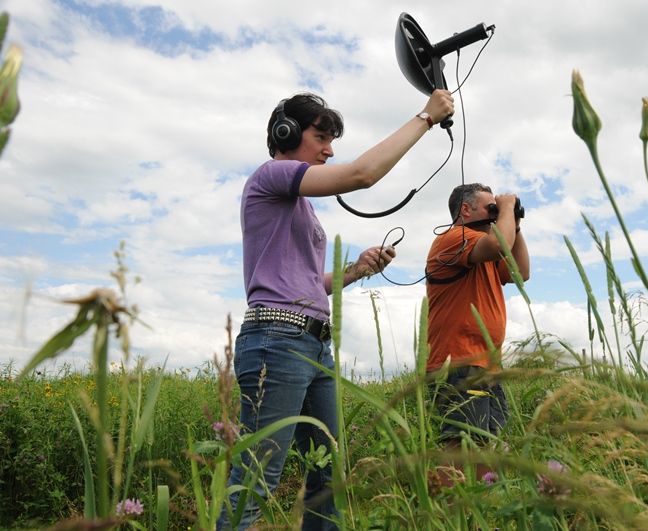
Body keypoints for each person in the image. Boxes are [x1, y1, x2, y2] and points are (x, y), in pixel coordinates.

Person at [217, 89, 454, 531]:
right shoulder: (271, 175)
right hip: (277, 340)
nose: (329, 149)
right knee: (257, 475)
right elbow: (363, 175)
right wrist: (426, 116)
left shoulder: (299, 202)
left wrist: (356, 270)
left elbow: (306, 283)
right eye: (321, 137)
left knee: (327, 467)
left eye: (332, 140)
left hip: (311, 342)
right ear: (286, 133)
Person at [424, 183, 530, 485]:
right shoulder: (454, 239)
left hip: (485, 365)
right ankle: (444, 515)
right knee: (459, 449)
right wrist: (506, 209)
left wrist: (516, 226)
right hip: (457, 362)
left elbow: (521, 273)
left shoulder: (485, 246)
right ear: (465, 209)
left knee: (485, 447)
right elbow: (499, 246)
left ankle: (479, 513)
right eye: (490, 208)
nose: (496, 214)